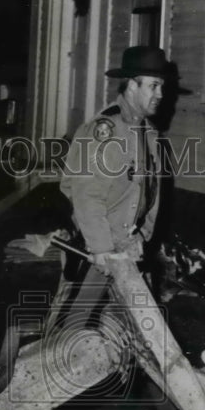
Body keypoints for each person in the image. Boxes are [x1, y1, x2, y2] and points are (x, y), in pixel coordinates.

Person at [54, 46, 174, 327]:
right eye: (154, 86)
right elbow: (86, 195)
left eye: (162, 87)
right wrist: (102, 248)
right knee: (73, 331)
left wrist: (141, 238)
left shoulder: (148, 133)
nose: (160, 94)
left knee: (137, 331)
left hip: (128, 250)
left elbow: (151, 192)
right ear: (132, 84)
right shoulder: (105, 130)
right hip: (99, 249)